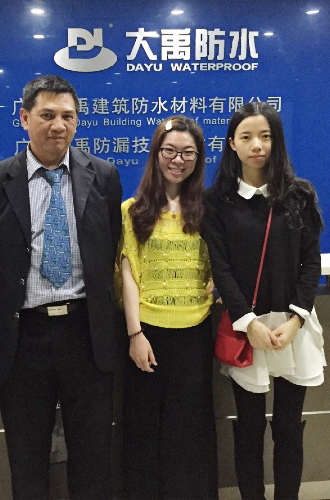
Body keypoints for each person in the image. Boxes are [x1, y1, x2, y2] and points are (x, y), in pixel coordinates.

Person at [0, 75, 122, 499]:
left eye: (68, 116)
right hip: (24, 338)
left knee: (92, 457)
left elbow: (108, 247)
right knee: (27, 457)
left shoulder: (103, 176)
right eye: (47, 115)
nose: (59, 125)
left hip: (86, 334)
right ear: (24, 118)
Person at [203, 102, 325, 500]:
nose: (257, 145)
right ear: (232, 144)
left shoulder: (299, 194)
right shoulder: (217, 202)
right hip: (246, 328)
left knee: (289, 427)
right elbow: (221, 268)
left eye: (266, 136)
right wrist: (248, 322)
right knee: (250, 428)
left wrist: (296, 319)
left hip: (292, 325)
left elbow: (311, 262)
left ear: (276, 141)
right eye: (247, 137)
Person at [117, 116, 218, 499]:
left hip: (195, 332)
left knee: (190, 431)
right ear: (156, 153)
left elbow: (223, 262)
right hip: (148, 334)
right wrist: (135, 334)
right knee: (144, 431)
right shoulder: (132, 210)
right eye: (170, 151)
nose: (178, 160)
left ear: (198, 158)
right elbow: (129, 273)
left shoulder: (208, 210)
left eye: (188, 153)